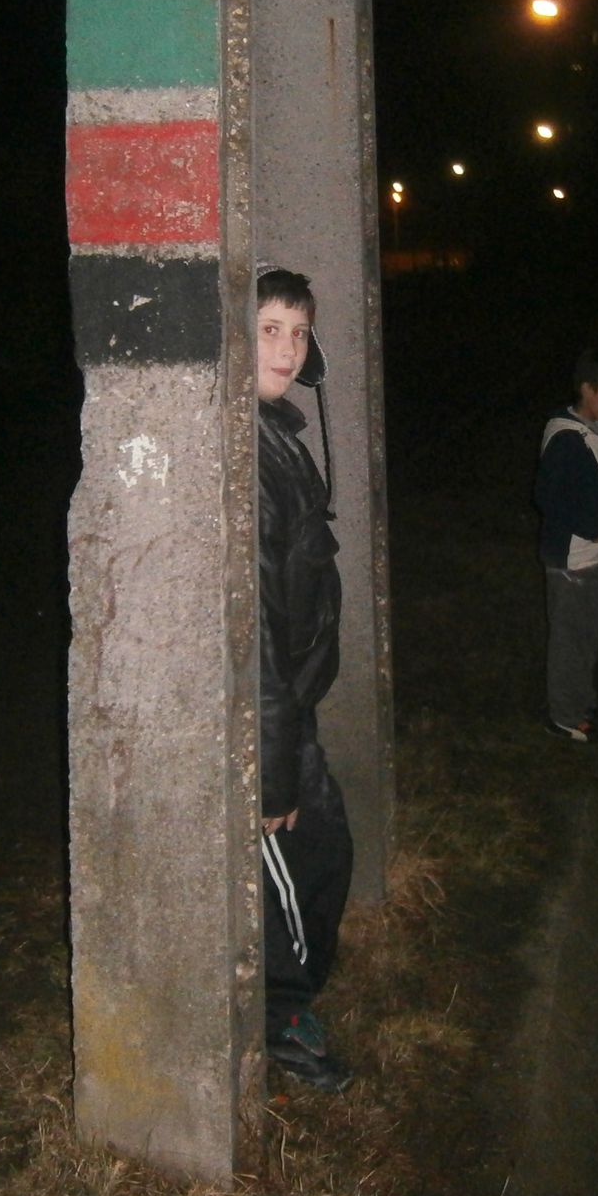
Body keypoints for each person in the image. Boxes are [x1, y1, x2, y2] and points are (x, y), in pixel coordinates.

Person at [255, 268, 355, 1093]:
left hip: (293, 707)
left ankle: (298, 992)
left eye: (299, 332)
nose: (288, 350)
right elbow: (254, 630)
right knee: (291, 869)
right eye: (269, 330)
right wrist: (273, 771)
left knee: (326, 852)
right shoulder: (250, 456)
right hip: (270, 717)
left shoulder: (277, 433)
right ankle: (283, 1018)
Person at [535, 348, 598, 742]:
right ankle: (563, 716)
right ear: (587, 390)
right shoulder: (567, 439)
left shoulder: (596, 433)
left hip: (592, 558)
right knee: (569, 639)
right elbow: (547, 497)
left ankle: (583, 703)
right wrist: (589, 527)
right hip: (571, 561)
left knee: (588, 636)